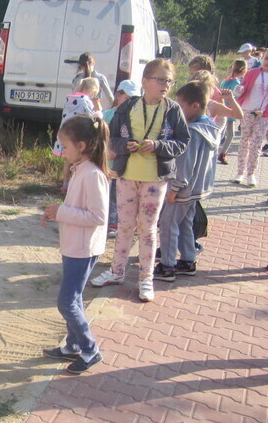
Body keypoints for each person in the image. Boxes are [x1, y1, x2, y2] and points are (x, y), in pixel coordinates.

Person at [91, 58, 190, 302]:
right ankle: (116, 271)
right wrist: (125, 145)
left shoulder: (173, 109)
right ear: (145, 81)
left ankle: (146, 278)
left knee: (147, 229)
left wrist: (157, 145)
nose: (165, 85)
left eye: (169, 81)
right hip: (126, 176)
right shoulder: (128, 107)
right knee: (124, 226)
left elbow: (182, 141)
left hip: (155, 179)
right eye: (160, 80)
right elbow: (111, 137)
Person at [41, 114, 110, 374]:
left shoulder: (92, 174)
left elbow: (98, 216)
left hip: (83, 248)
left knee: (67, 302)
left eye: (65, 146)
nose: (62, 151)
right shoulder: (80, 169)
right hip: (74, 246)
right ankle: (72, 346)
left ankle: (90, 349)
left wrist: (61, 212)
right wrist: (55, 212)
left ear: (81, 146)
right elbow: (75, 208)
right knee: (74, 298)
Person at [153, 82, 219, 283]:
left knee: (168, 224)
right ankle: (188, 260)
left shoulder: (191, 133)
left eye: (180, 106)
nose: (177, 111)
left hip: (182, 190)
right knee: (185, 224)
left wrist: (174, 188)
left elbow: (184, 165)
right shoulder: (211, 126)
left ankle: (168, 265)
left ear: (195, 106)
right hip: (197, 189)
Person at [102, 79, 140, 238]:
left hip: (125, 164)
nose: (131, 101)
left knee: (123, 194)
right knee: (110, 194)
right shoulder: (108, 115)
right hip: (109, 163)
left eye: (135, 98)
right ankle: (111, 223)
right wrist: (106, 150)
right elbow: (102, 137)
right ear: (118, 95)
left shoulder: (134, 116)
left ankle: (123, 222)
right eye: (128, 97)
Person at [54, 77, 100, 191]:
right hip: (77, 134)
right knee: (78, 160)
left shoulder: (70, 98)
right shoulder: (85, 100)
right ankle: (76, 184)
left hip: (66, 132)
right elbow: (91, 116)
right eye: (94, 93)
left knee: (68, 160)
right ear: (92, 91)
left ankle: (65, 183)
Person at [233, 48, 268, 187]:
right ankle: (240, 172)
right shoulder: (253, 73)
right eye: (266, 59)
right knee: (244, 142)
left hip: (263, 114)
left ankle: (251, 173)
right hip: (247, 111)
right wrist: (239, 90)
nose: (267, 62)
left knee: (256, 144)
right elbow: (242, 87)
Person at [218, 59, 248, 164]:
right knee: (230, 134)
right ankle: (223, 153)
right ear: (244, 71)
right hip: (230, 110)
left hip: (220, 108)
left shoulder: (225, 80)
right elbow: (236, 97)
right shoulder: (237, 83)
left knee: (221, 130)